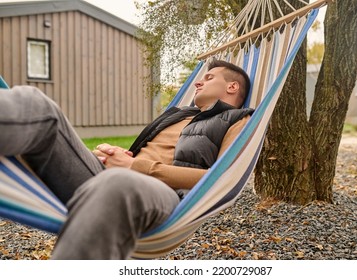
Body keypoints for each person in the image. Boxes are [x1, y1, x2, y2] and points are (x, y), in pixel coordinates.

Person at [0, 59, 253, 259]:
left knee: (119, 182)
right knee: (39, 107)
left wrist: (134, 166)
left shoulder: (238, 120)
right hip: (109, 178)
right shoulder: (178, 113)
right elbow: (142, 153)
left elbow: (222, 179)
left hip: (165, 198)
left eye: (209, 78)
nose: (198, 82)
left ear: (232, 87)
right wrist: (111, 156)